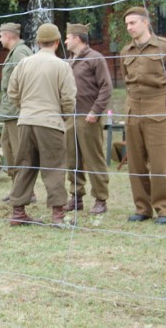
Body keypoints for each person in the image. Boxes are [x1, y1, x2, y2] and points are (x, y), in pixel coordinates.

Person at [6, 23, 77, 227]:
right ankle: (57, 215)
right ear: (56, 42)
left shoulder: (24, 63)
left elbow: (12, 92)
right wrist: (62, 116)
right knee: (54, 167)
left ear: (37, 42)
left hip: (25, 121)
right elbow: (69, 98)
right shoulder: (62, 65)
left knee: (25, 166)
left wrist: (26, 109)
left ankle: (18, 212)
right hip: (51, 122)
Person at [121, 6, 166, 225]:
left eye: (133, 23)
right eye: (127, 24)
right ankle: (142, 208)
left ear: (145, 22)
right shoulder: (126, 51)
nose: (129, 27)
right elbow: (125, 79)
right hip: (133, 109)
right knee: (136, 164)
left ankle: (165, 209)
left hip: (157, 107)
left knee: (159, 163)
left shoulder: (165, 47)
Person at [63, 23, 112, 215]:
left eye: (67, 37)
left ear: (77, 38)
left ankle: (101, 199)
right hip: (70, 117)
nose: (65, 41)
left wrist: (95, 111)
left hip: (88, 117)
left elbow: (106, 88)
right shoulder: (69, 61)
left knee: (94, 159)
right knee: (72, 160)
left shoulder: (95, 58)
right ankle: (76, 197)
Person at [0, 22, 36, 204]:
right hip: (9, 110)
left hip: (16, 110)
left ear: (9, 35)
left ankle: (26, 192)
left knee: (19, 151)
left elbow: (26, 80)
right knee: (8, 148)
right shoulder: (16, 52)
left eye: (1, 35)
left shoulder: (20, 53)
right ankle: (17, 189)